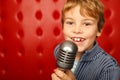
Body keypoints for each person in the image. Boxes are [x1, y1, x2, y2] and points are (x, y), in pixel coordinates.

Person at [51, 0, 120, 80]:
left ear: (99, 30)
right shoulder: (59, 50)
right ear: (62, 27)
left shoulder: (109, 69)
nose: (77, 30)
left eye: (87, 24)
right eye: (70, 23)